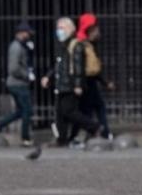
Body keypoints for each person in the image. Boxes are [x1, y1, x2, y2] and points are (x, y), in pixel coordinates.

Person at [39, 16, 100, 158]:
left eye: (61, 28)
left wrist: (78, 84)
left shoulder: (75, 45)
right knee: (60, 113)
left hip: (70, 85)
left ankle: (93, 126)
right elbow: (59, 65)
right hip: (62, 84)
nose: (58, 31)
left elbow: (78, 66)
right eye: (58, 28)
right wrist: (48, 76)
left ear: (69, 29)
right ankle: (62, 139)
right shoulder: (64, 45)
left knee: (69, 111)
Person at [0, 21, 36, 147]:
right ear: (21, 33)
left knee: (21, 111)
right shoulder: (16, 47)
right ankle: (25, 138)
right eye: (26, 33)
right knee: (27, 111)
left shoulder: (21, 46)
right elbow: (13, 68)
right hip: (18, 83)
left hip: (18, 83)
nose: (28, 36)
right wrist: (27, 75)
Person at [70, 13, 114, 140]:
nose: (98, 31)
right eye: (95, 28)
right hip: (86, 82)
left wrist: (105, 82)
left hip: (89, 81)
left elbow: (94, 68)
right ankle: (98, 132)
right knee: (88, 110)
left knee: (90, 109)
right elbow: (83, 67)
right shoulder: (83, 45)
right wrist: (78, 84)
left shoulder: (89, 44)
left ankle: (94, 133)